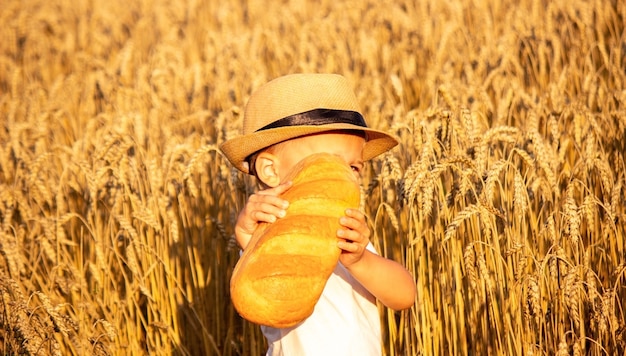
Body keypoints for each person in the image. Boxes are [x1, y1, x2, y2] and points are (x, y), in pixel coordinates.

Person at [219, 73, 416, 355]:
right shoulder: (267, 239)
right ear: (271, 171)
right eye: (330, 163)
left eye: (354, 167)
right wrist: (248, 238)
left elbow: (405, 296)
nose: (347, 177)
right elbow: (254, 299)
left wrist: (361, 260)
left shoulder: (346, 236)